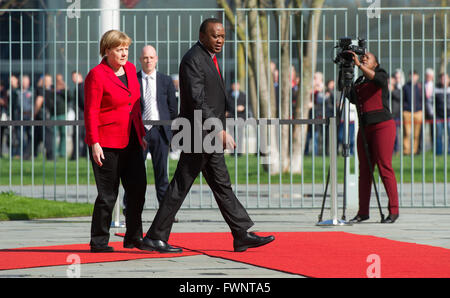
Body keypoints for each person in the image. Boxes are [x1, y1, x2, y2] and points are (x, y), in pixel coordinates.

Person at [141, 18, 275, 253]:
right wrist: (219, 128)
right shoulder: (194, 59)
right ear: (202, 36)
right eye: (215, 36)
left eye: (222, 36)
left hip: (206, 135)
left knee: (222, 185)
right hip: (197, 135)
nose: (220, 40)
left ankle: (241, 233)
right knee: (180, 186)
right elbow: (197, 100)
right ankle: (155, 236)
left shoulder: (207, 58)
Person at [84, 29, 148, 253]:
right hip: (106, 143)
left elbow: (135, 104)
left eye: (127, 49)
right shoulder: (97, 75)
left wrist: (141, 135)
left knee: (138, 188)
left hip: (132, 140)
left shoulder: (130, 69)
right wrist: (94, 142)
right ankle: (99, 241)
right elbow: (91, 111)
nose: (124, 53)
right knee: (107, 195)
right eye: (119, 49)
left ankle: (133, 237)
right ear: (107, 50)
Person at [123, 45, 178, 212]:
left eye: (151, 58)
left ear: (156, 60)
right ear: (140, 60)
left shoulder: (166, 80)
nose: (148, 61)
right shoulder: (132, 79)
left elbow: (173, 108)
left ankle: (165, 211)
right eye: (145, 58)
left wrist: (169, 130)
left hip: (160, 131)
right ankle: (131, 208)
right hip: (140, 131)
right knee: (135, 173)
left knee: (162, 174)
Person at [347, 51, 399, 224]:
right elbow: (351, 98)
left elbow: (378, 80)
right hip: (364, 128)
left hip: (383, 126)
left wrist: (359, 66)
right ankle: (363, 212)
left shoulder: (381, 75)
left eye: (367, 58)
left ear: (375, 64)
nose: (363, 59)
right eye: (362, 58)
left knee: (385, 167)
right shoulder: (360, 81)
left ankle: (393, 211)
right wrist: (345, 73)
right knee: (364, 171)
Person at [402, 70, 423, 155]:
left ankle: (414, 151)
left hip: (418, 112)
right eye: (411, 75)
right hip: (407, 112)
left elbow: (423, 99)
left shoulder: (420, 86)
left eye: (415, 75)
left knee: (416, 134)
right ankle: (406, 151)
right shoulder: (405, 86)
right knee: (407, 133)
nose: (413, 77)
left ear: (417, 77)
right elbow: (402, 99)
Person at [70, 71, 86, 159]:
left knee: (78, 135)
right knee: (81, 135)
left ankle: (76, 155)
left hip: (81, 114)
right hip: (81, 114)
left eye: (75, 76)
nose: (73, 79)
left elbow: (84, 102)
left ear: (80, 76)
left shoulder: (81, 87)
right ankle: (81, 154)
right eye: (72, 77)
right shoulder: (79, 87)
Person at [435, 73, 450, 155]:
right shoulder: (436, 89)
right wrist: (432, 113)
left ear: (449, 79)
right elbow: (431, 102)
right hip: (438, 116)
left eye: (445, 78)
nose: (444, 80)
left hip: (449, 116)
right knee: (439, 135)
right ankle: (439, 152)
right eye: (442, 79)